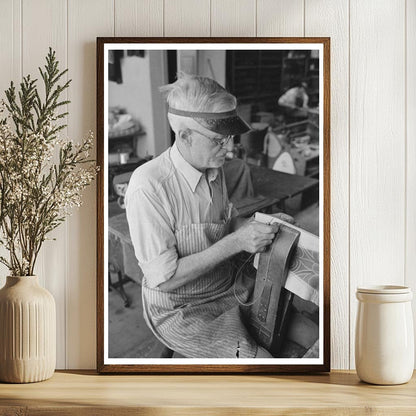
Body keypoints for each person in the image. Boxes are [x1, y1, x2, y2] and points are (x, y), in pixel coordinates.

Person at [125, 73, 280, 359]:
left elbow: (226, 224)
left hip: (225, 286)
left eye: (230, 138)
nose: (230, 148)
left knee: (291, 317)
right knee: (261, 365)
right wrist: (237, 242)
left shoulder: (213, 167)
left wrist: (264, 227)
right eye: (219, 141)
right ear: (185, 136)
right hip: (181, 308)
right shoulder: (148, 185)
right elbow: (165, 279)